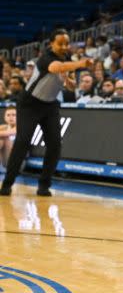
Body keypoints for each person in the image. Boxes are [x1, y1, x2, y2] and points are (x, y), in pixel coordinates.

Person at [0, 30, 93, 197]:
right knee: (22, 141)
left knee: (55, 145)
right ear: (51, 44)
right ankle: (7, 184)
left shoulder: (67, 59)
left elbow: (69, 84)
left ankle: (44, 185)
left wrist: (69, 81)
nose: (65, 46)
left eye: (67, 43)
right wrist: (80, 64)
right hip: (29, 104)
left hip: (49, 105)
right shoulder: (46, 58)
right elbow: (57, 68)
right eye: (60, 43)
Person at [0, 107, 16, 172]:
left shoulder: (21, 127)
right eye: (8, 115)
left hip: (17, 162)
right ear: (4, 117)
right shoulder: (3, 127)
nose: (10, 117)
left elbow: (7, 133)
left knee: (4, 137)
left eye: (14, 115)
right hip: (4, 160)